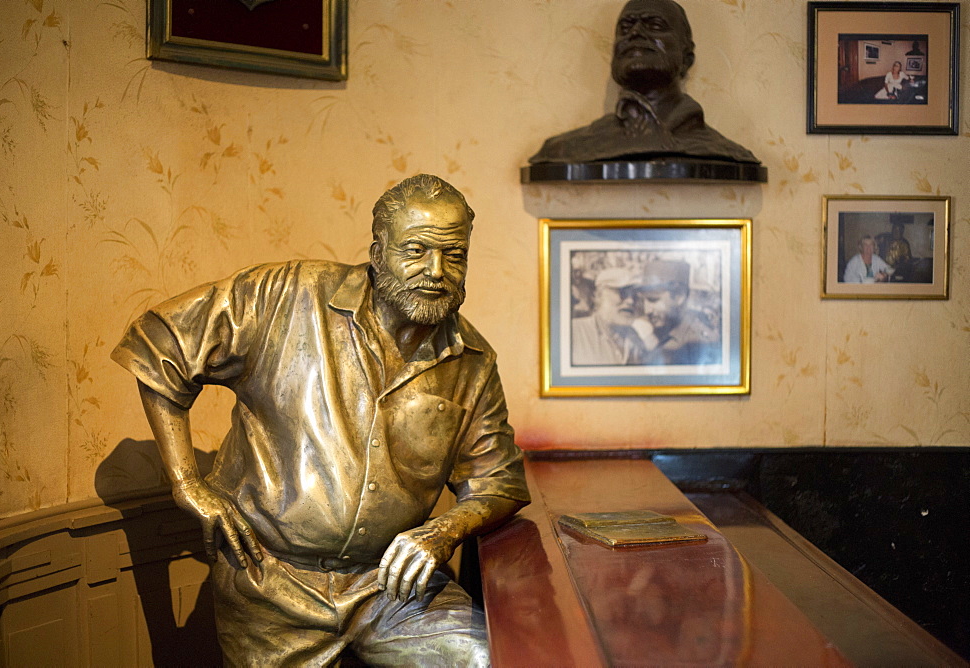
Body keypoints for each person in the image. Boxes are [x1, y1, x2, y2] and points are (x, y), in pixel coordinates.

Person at [111, 174, 530, 666]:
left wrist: (441, 533)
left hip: (391, 588)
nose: (436, 270)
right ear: (379, 252)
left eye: (454, 254)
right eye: (416, 251)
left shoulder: (472, 361)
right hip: (270, 583)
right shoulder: (286, 295)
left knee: (486, 658)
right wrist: (186, 482)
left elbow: (499, 482)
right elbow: (159, 344)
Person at [529, 0, 760, 166]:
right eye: (625, 27)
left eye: (655, 26)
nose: (635, 33)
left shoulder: (724, 153)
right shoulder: (563, 149)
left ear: (687, 58)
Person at [633, 260, 719, 365]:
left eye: (653, 300)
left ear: (679, 297)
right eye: (643, 300)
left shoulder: (697, 341)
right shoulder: (659, 328)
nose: (647, 310)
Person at [571, 267, 646, 365]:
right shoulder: (574, 332)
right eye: (622, 293)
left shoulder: (635, 339)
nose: (630, 301)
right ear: (598, 296)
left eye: (635, 295)